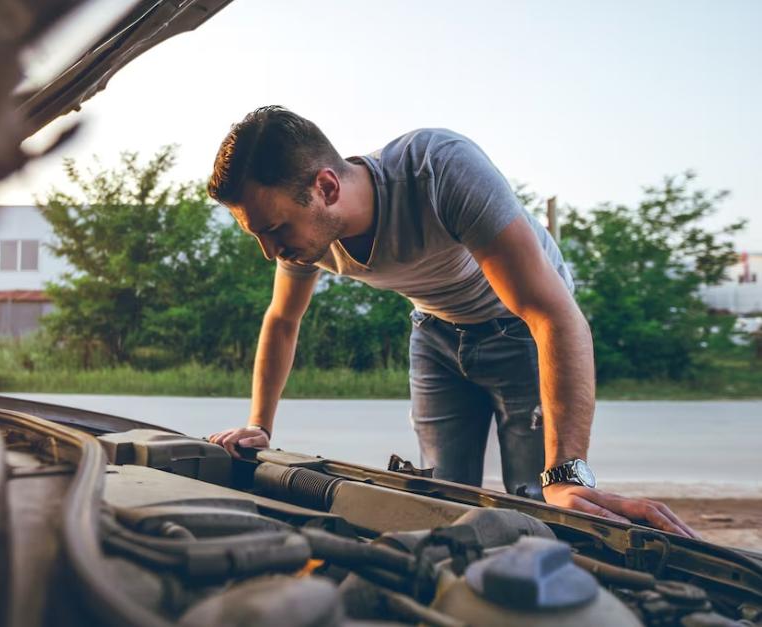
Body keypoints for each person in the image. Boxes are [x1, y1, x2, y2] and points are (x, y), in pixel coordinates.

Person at [205, 105, 696, 537]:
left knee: (539, 504)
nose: (270, 250)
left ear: (326, 187)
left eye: (273, 230)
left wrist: (567, 473)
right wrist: (258, 426)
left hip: (521, 330)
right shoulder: (302, 236)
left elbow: (554, 315)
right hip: (436, 335)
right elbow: (282, 320)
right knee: (444, 503)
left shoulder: (439, 169)